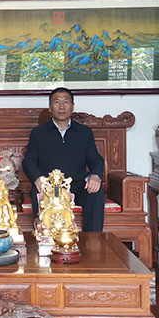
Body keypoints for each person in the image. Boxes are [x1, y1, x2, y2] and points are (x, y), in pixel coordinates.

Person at [22, 87, 106, 232]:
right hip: (48, 187)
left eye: (66, 102)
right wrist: (37, 178)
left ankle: (93, 239)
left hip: (77, 186)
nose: (61, 107)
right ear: (50, 107)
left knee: (95, 193)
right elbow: (29, 161)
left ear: (72, 106)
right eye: (57, 102)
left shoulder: (84, 133)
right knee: (38, 192)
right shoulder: (39, 133)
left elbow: (96, 159)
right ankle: (44, 237)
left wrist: (95, 176)